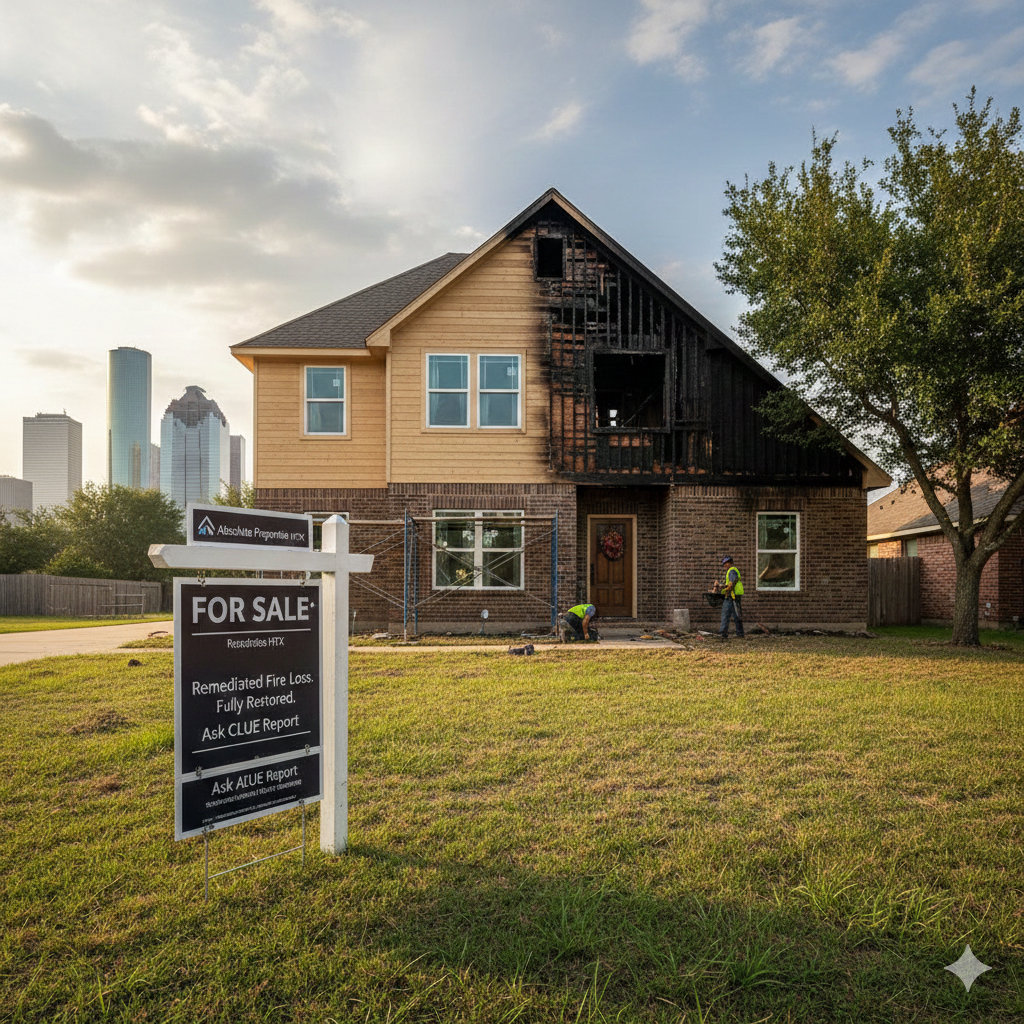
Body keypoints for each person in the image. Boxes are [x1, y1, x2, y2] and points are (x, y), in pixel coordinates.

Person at [718, 556, 744, 639]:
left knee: (726, 614)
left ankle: (723, 633)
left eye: (726, 563)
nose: (725, 565)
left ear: (730, 563)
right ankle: (740, 633)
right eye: (724, 564)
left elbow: (732, 582)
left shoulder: (732, 571)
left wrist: (725, 587)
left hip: (732, 596)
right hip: (734, 595)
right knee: (736, 615)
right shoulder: (732, 570)